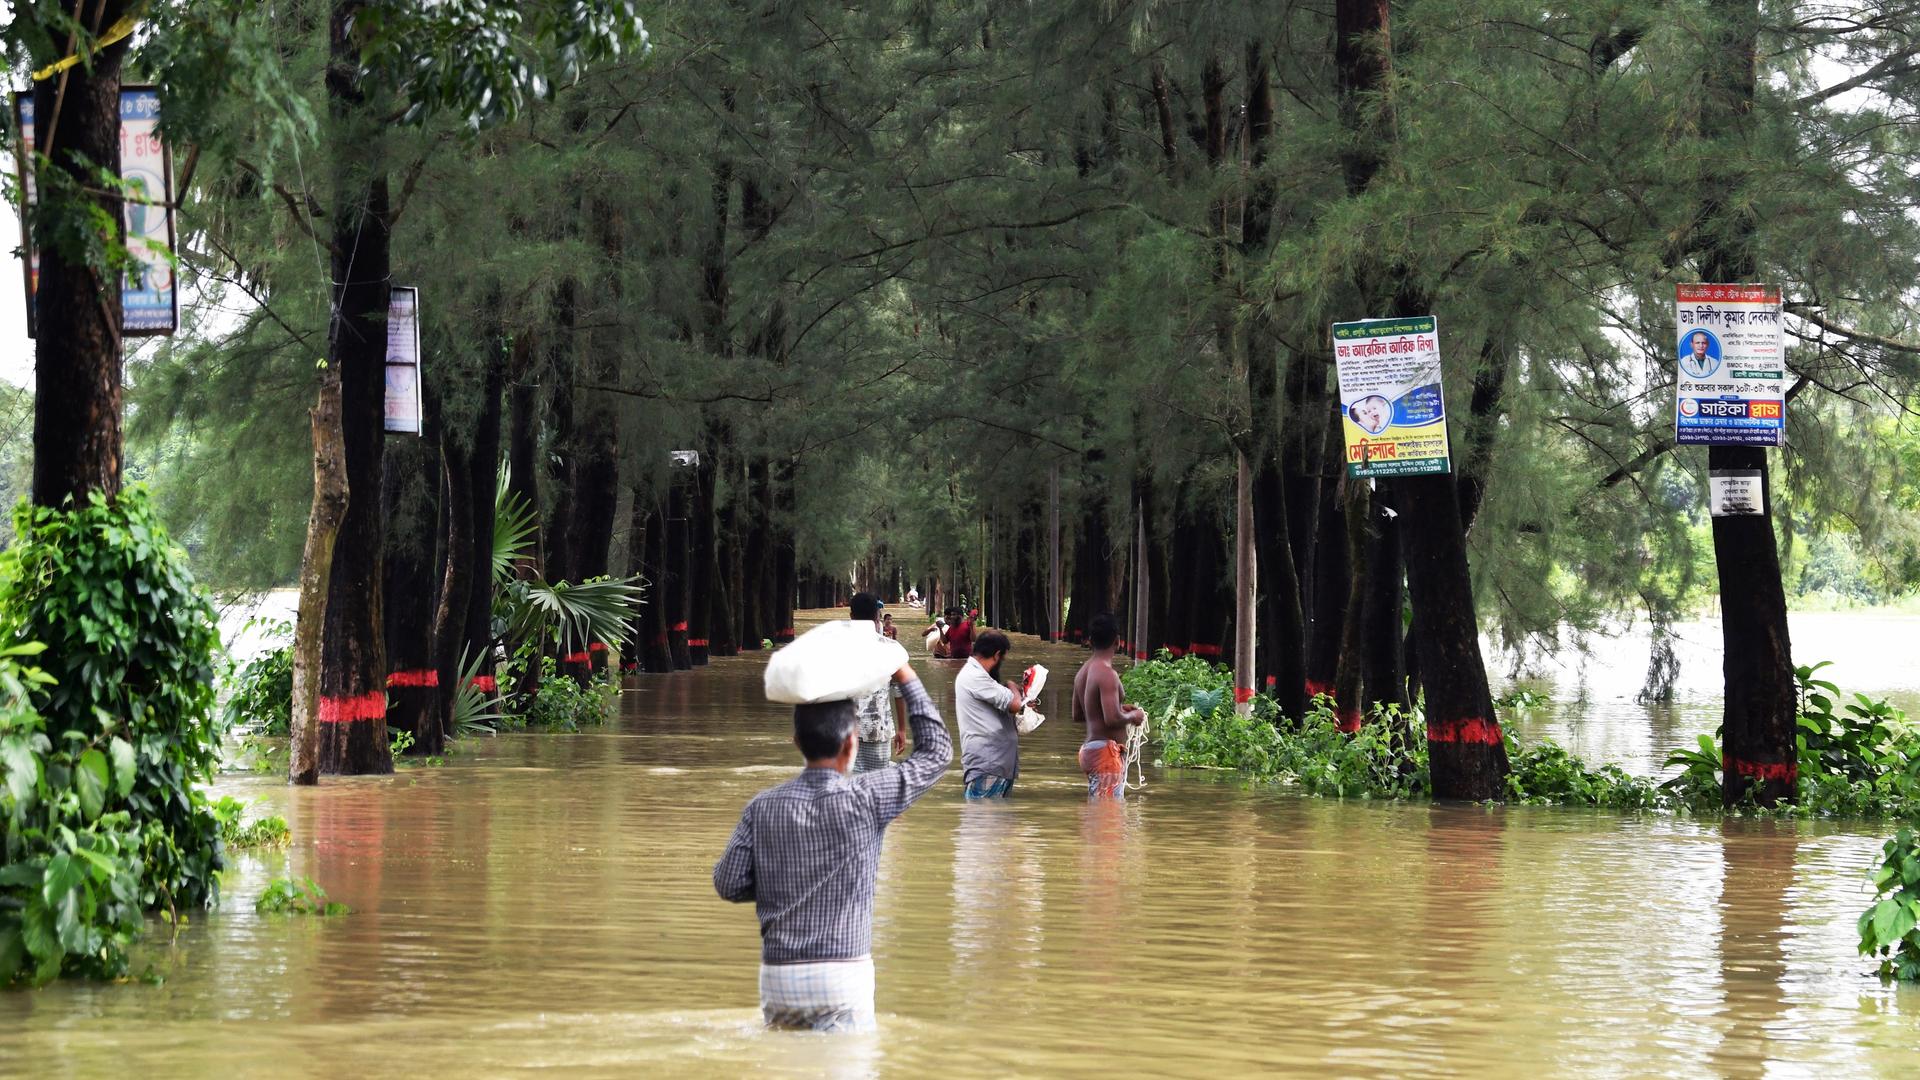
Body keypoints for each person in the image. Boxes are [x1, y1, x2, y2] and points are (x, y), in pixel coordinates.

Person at [713, 663, 950, 1032]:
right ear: (851, 742)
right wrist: (904, 674)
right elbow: (936, 753)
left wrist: (785, 882)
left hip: (779, 976)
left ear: (797, 743)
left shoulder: (762, 806)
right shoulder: (869, 796)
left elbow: (728, 883)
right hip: (842, 972)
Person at [1072, 613, 1147, 799]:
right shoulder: (1107, 674)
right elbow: (1112, 718)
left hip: (1090, 751)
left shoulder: (1083, 672)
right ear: (1118, 641)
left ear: (1090, 640)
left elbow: (1079, 715)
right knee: (1108, 818)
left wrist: (1121, 709)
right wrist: (1133, 716)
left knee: (1099, 816)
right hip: (1105, 755)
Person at [954, 631, 1027, 799]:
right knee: (984, 821)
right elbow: (1015, 704)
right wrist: (1012, 686)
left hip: (996, 762)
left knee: (996, 821)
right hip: (989, 762)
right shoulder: (975, 676)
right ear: (996, 655)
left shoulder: (979, 676)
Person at [849, 593, 906, 774]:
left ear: (851, 616)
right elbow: (899, 690)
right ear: (877, 617)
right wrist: (902, 729)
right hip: (877, 729)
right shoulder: (891, 648)